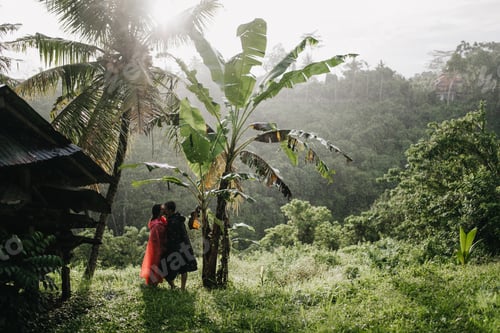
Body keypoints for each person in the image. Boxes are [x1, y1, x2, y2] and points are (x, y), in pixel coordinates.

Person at [162, 201, 198, 290]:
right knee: (183, 269)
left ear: (170, 210)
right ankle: (181, 288)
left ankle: (175, 286)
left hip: (177, 247)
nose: (164, 212)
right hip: (184, 246)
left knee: (169, 267)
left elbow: (172, 237)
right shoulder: (178, 218)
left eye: (165, 210)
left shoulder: (172, 221)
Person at [140, 204, 167, 286]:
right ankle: (152, 283)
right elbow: (155, 239)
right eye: (162, 209)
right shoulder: (156, 224)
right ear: (159, 212)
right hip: (156, 247)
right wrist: (160, 248)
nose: (164, 210)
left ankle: (154, 282)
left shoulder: (161, 220)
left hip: (160, 246)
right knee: (155, 263)